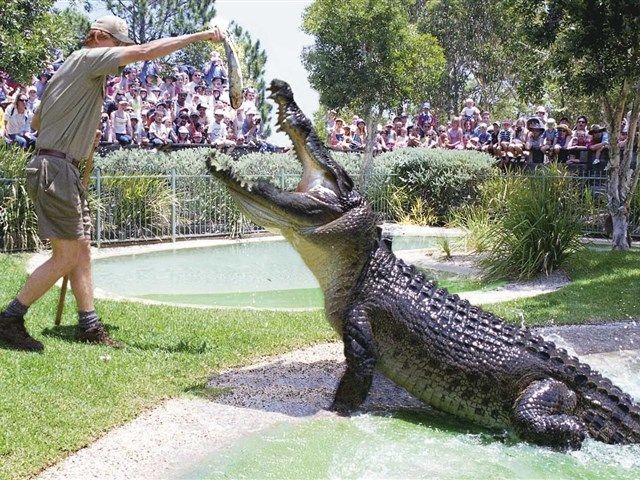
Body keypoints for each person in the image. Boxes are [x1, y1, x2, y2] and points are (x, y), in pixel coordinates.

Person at [0, 15, 225, 352]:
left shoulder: (67, 70)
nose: (120, 53)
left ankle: (89, 325)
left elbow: (36, 119)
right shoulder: (89, 57)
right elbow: (146, 51)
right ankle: (9, 319)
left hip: (60, 166)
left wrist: (79, 124)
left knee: (81, 250)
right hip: (56, 169)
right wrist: (201, 36)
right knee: (65, 256)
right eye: (118, 46)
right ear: (101, 38)